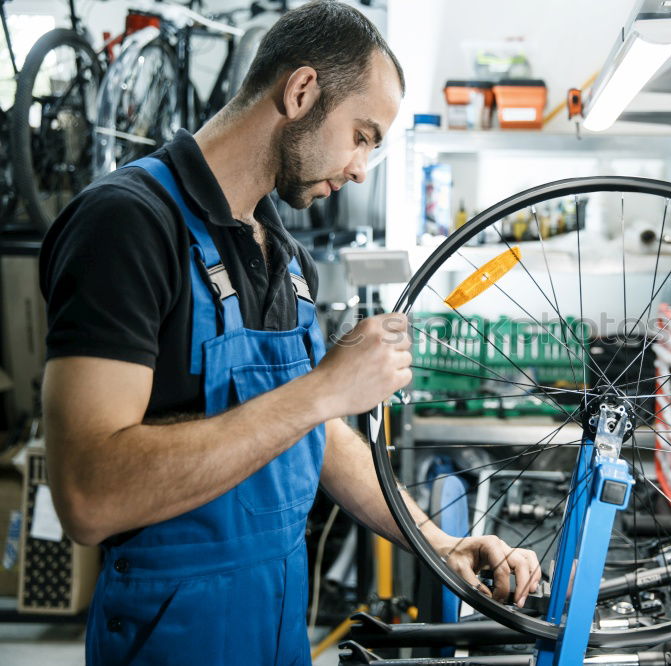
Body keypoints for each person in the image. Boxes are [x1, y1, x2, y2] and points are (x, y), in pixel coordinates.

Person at [39, 2, 540, 663]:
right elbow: (89, 495)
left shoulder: (286, 253)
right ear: (302, 91)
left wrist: (436, 543)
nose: (363, 168)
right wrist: (325, 388)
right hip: (173, 641)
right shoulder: (127, 224)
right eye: (362, 135)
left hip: (278, 631)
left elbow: (317, 434)